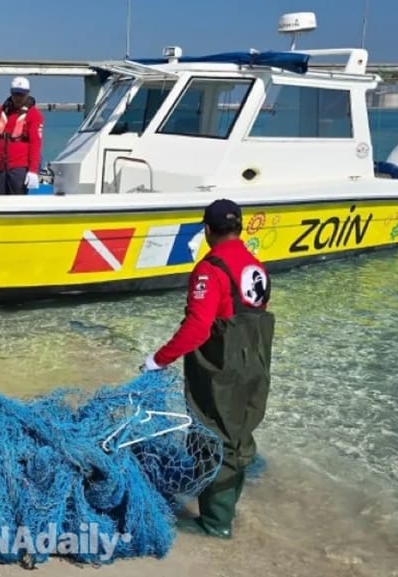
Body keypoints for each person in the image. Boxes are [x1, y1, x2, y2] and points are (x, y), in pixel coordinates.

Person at [139, 199, 275, 539]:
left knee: (212, 434)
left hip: (222, 366)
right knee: (238, 432)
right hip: (255, 360)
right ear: (240, 228)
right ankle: (223, 509)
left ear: (208, 230)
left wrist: (158, 359)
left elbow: (199, 328)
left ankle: (215, 522)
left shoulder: (209, 268)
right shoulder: (256, 265)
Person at [0, 76, 44, 195]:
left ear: (27, 94)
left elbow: (36, 144)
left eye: (22, 94)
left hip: (19, 169)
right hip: (0, 167)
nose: (18, 98)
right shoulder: (2, 110)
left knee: (17, 204)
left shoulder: (34, 115)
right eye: (15, 94)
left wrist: (33, 171)